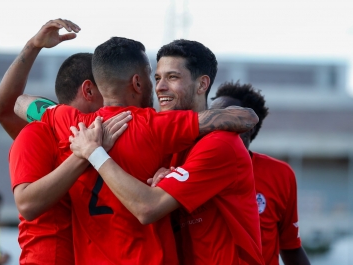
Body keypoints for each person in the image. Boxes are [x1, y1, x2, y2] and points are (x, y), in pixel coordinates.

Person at [38, 36, 259, 264]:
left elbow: (148, 207)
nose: (160, 87)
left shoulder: (220, 144)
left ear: (202, 84)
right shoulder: (159, 140)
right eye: (157, 77)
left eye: (172, 77)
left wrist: (94, 153)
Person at [0, 19, 130, 264]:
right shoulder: (41, 133)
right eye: (107, 91)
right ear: (88, 91)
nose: (114, 102)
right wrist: (34, 45)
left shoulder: (109, 132)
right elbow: (4, 107)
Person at [210, 81, 310, 265]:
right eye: (210, 118)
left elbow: (291, 247)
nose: (212, 126)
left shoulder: (280, 174)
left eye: (223, 119)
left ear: (249, 127)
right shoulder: (187, 168)